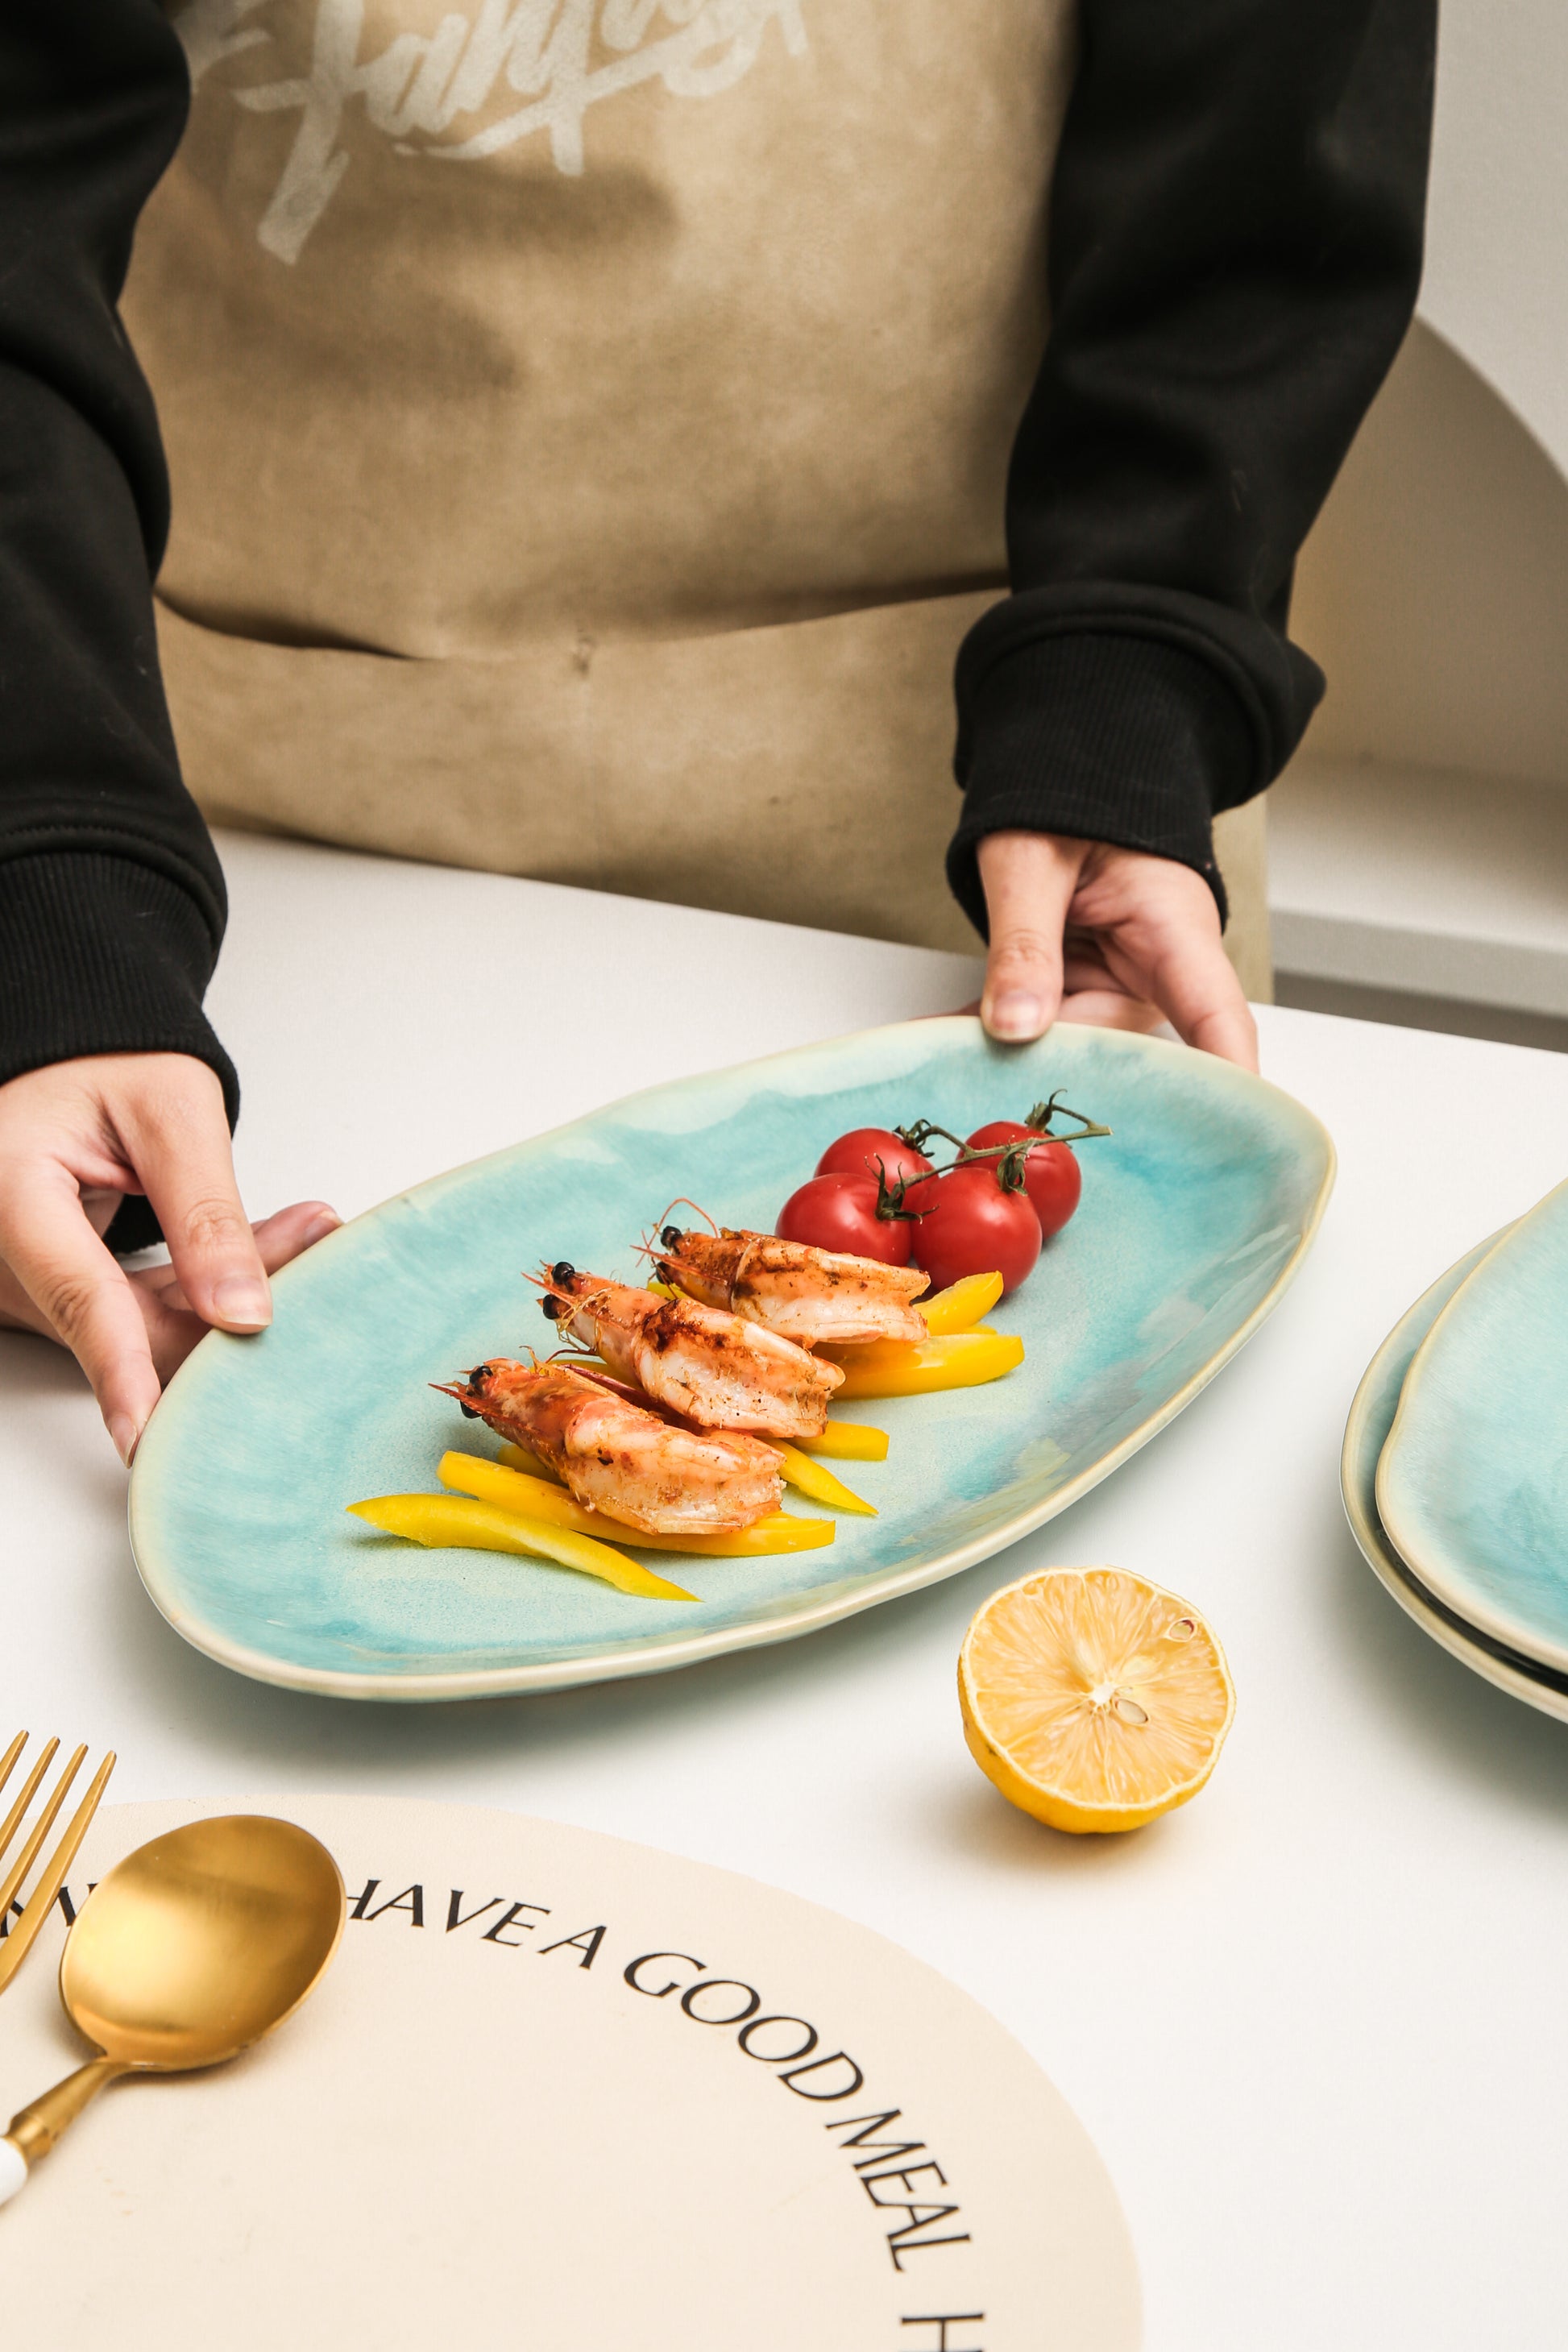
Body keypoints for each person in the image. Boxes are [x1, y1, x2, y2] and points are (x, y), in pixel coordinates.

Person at [0, 0, 1436, 1460]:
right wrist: (35, 917)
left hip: (1015, 847)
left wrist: (1131, 685)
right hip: (196, 855)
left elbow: (1262, 164)